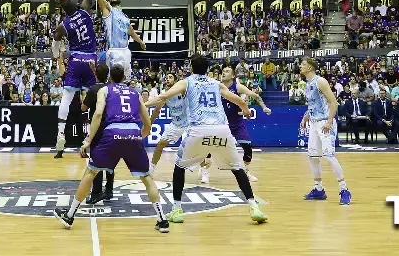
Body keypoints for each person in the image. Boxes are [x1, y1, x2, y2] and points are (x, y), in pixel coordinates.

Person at [145, 55, 268, 224]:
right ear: (207, 69)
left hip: (198, 129)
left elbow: (161, 98)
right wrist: (246, 110)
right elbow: (238, 100)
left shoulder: (186, 82)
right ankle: (254, 207)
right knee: (238, 169)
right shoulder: (216, 83)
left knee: (179, 167)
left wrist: (142, 105)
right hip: (222, 129)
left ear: (191, 68)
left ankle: (177, 209)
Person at [53, 64, 169, 233]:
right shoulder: (135, 93)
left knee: (91, 172)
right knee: (147, 178)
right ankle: (162, 220)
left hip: (112, 132)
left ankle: (69, 215)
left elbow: (98, 114)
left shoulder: (105, 90)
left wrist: (88, 140)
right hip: (133, 133)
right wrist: (138, 136)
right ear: (124, 77)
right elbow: (147, 124)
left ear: (110, 78)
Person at [51, 0, 99, 158]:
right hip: (91, 60)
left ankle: (60, 135)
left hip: (75, 59)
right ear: (76, 7)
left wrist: (57, 54)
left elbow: (55, 42)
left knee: (67, 98)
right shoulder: (86, 12)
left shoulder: (63, 25)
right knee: (89, 100)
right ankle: (87, 139)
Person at [80, 0, 146, 79]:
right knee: (114, 81)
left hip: (126, 51)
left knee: (126, 80)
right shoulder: (107, 9)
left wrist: (141, 42)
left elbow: (131, 32)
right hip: (114, 51)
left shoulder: (124, 16)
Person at [300, 57, 352, 205]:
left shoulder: (320, 81)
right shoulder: (307, 84)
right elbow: (313, 105)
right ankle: (319, 189)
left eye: (303, 64)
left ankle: (344, 190)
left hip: (325, 122)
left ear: (310, 67)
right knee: (312, 155)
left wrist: (329, 121)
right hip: (314, 123)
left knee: (329, 155)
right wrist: (305, 118)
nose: (301, 66)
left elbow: (333, 102)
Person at [221, 66, 271, 181]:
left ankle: (246, 171)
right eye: (223, 71)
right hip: (221, 124)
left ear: (233, 76)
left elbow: (255, 95)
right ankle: (204, 170)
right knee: (209, 146)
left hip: (237, 124)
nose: (223, 73)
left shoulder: (237, 87)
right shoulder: (217, 87)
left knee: (247, 147)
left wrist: (264, 107)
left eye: (227, 71)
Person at [80, 62, 114, 205]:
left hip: (98, 129)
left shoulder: (93, 89)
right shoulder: (111, 88)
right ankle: (109, 190)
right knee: (111, 161)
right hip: (112, 127)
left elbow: (83, 108)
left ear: (95, 74)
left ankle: (96, 192)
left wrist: (83, 96)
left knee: (96, 160)